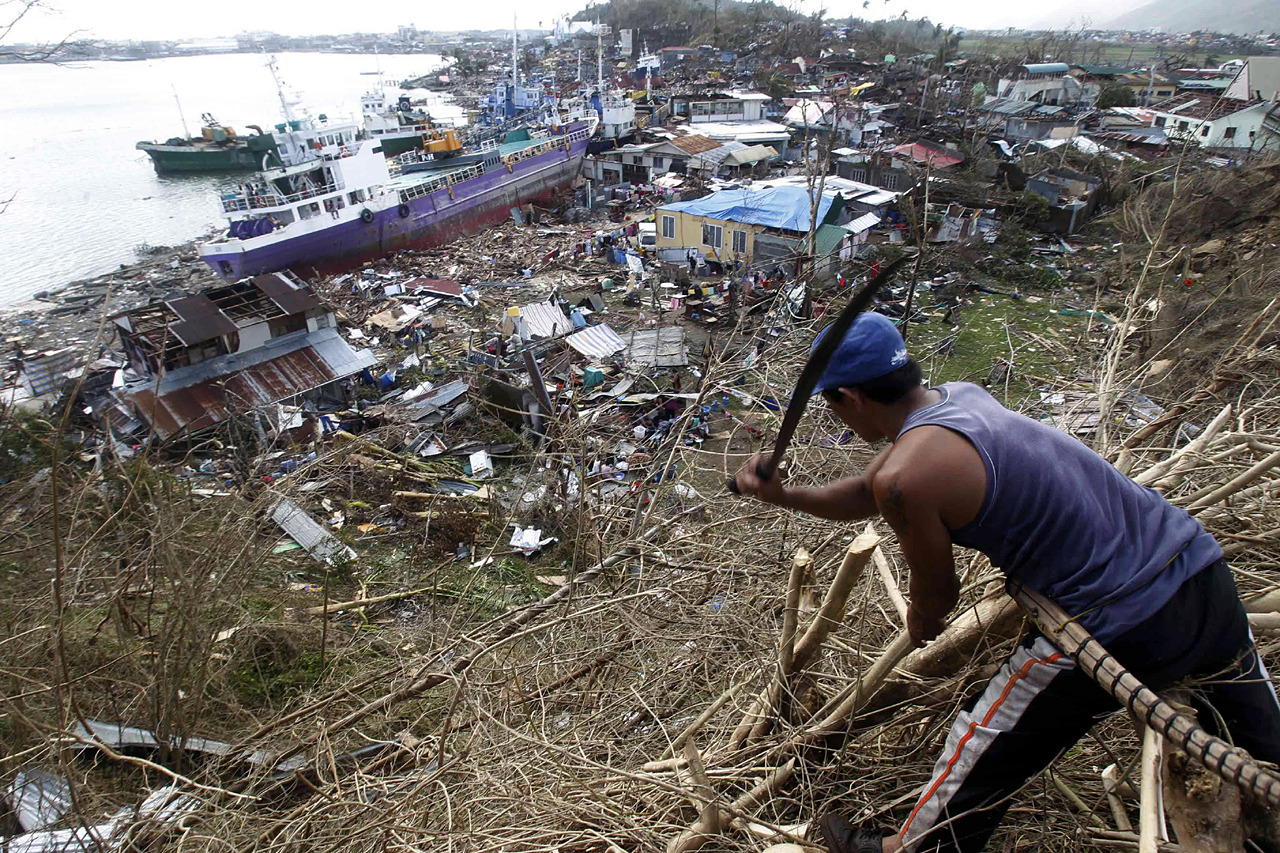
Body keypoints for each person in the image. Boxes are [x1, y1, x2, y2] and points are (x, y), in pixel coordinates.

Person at [733, 313, 1280, 853]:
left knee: (982, 738)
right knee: (1260, 740)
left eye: (833, 406)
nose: (839, 418)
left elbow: (935, 591)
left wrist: (922, 621)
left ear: (850, 397)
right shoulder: (959, 399)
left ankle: (914, 848)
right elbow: (869, 490)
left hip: (1114, 621)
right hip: (1200, 572)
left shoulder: (908, 475)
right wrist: (783, 494)